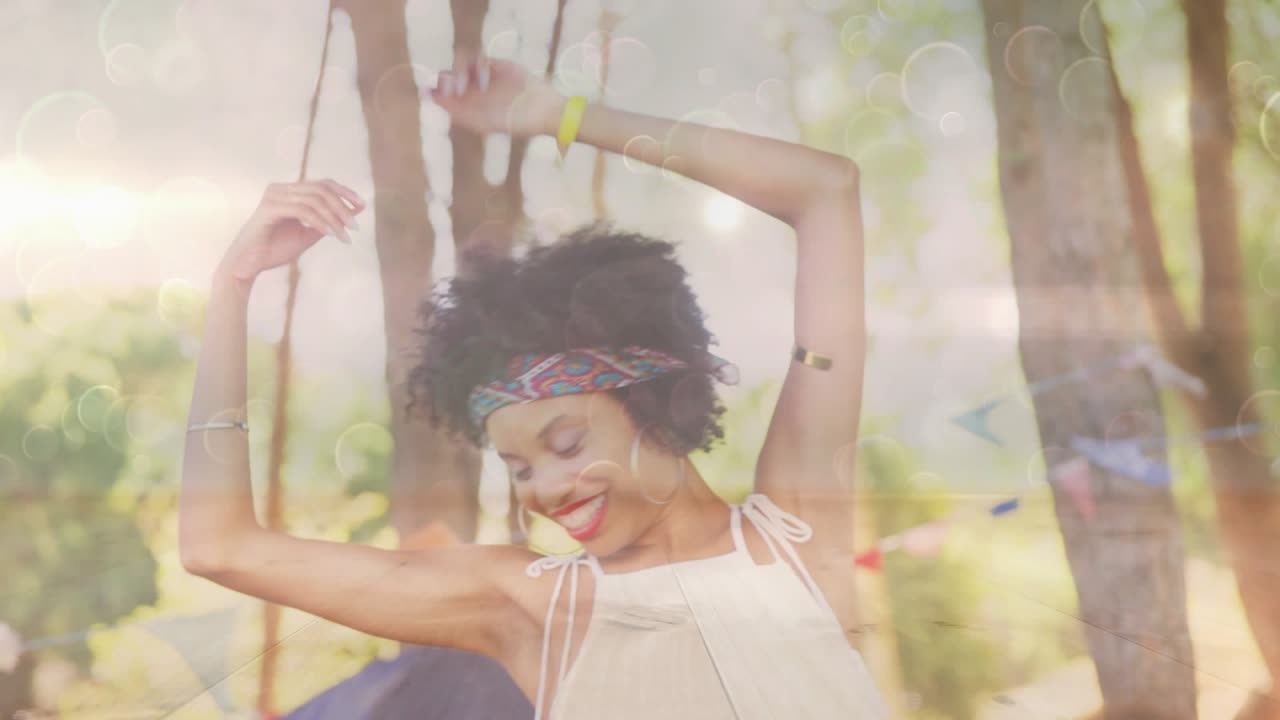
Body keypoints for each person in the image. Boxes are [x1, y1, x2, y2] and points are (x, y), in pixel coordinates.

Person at [181, 52, 887, 719]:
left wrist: (562, 116)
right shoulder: (529, 608)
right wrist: (232, 287)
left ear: (656, 403)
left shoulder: (796, 534)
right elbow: (221, 548)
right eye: (518, 468)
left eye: (568, 443)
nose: (546, 489)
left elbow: (827, 191)